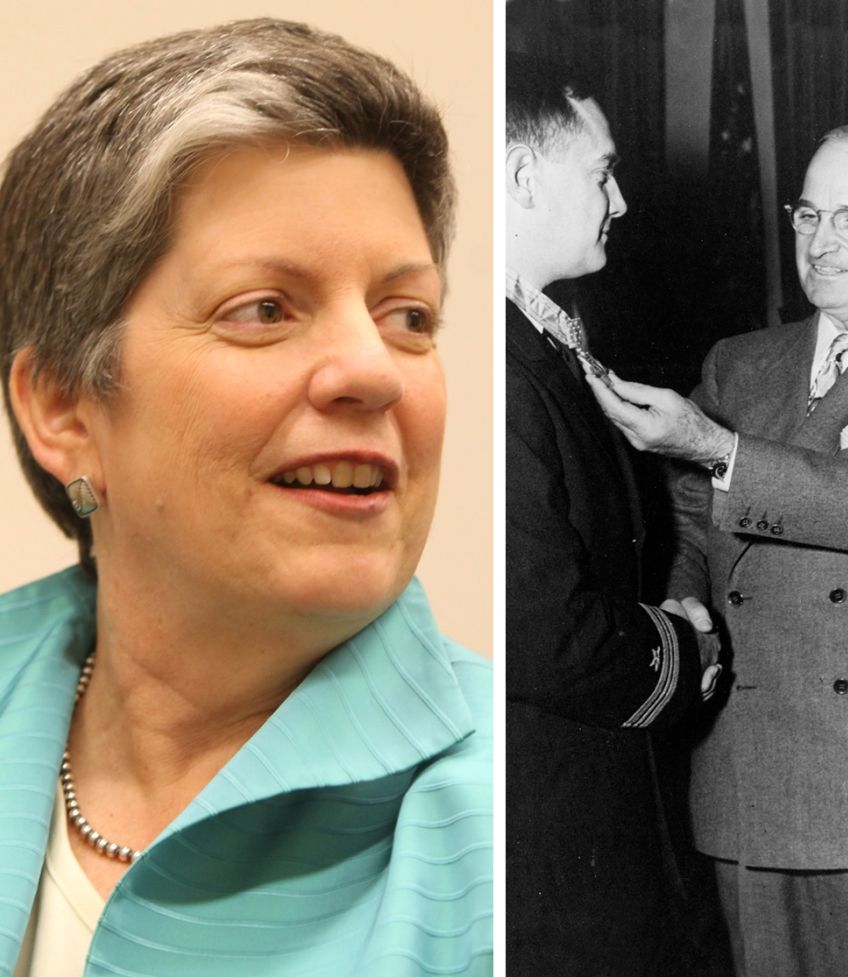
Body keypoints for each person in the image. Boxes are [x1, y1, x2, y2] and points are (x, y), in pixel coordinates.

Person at [0, 20, 491, 977]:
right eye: (265, 308)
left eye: (409, 316)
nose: (372, 370)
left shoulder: (506, 822)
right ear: (64, 407)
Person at [590, 122, 848, 977]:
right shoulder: (742, 362)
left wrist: (719, 450)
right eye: (808, 214)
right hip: (746, 766)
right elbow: (686, 513)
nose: (821, 243)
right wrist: (686, 606)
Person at [503, 53, 721, 977]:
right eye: (600, 173)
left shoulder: (540, 334)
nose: (621, 201)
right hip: (542, 824)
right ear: (520, 178)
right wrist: (685, 651)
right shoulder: (493, 365)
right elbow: (544, 633)